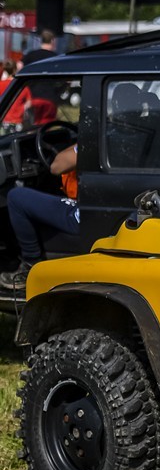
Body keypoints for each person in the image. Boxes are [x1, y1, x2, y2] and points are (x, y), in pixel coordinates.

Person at [0, 144, 79, 291]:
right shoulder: (128, 137)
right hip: (110, 210)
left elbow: (56, 167)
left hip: (83, 216)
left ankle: (31, 264)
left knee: (16, 197)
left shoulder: (101, 137)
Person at [20, 30, 59, 127]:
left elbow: (19, 67)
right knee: (47, 127)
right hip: (50, 97)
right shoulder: (56, 57)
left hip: (33, 97)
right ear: (53, 41)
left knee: (33, 126)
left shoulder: (31, 55)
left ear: (41, 40)